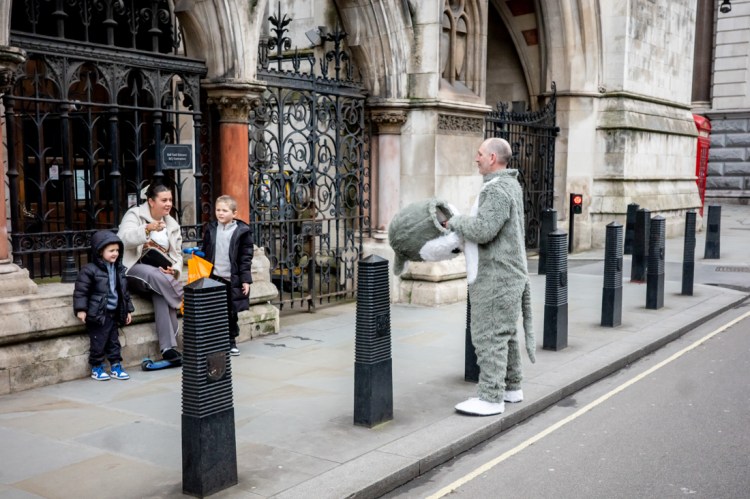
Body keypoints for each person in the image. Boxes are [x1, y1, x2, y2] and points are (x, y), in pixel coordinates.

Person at [445, 137, 535, 416]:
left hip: (496, 275)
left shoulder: (496, 189)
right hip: (510, 274)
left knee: (489, 336)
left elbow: (484, 230)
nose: (477, 158)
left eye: (480, 154)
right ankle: (511, 387)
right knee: (505, 334)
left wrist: (455, 222)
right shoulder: (511, 185)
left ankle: (491, 397)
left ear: (493, 159)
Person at [118, 183, 184, 363]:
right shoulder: (135, 214)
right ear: (151, 201)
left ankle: (168, 348)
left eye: (170, 199)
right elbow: (122, 240)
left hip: (159, 275)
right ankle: (183, 300)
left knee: (160, 292)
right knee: (156, 275)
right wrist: (146, 229)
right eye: (164, 200)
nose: (168, 203)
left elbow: (177, 255)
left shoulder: (172, 224)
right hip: (132, 267)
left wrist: (174, 269)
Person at [73, 230, 134, 381]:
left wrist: (128, 311)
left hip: (114, 313)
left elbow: (124, 292)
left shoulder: (119, 269)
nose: (115, 253)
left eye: (117, 250)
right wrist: (81, 310)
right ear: (100, 251)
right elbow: (81, 291)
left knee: (114, 341)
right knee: (98, 341)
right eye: (111, 250)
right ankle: (97, 367)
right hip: (98, 314)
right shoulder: (89, 270)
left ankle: (116, 365)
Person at [201, 195, 253, 356]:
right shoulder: (211, 228)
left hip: (232, 279)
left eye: (224, 210)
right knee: (215, 310)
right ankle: (216, 341)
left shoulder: (242, 232)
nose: (220, 213)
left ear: (234, 213)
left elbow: (245, 258)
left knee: (231, 312)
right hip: (214, 277)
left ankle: (231, 341)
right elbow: (206, 251)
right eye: (218, 210)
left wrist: (245, 280)